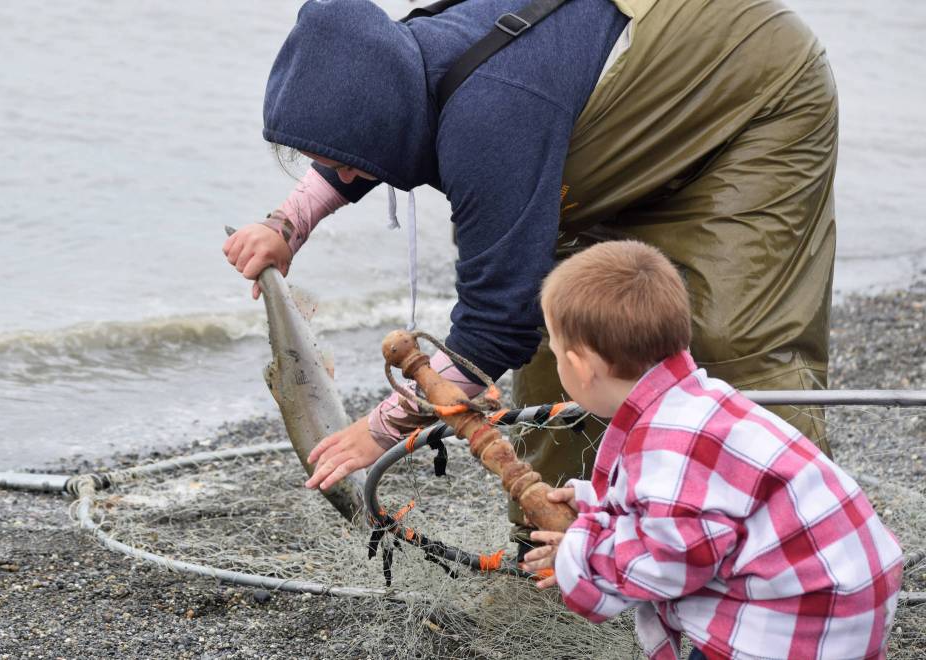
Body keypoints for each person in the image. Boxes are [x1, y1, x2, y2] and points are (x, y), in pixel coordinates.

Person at [223, 0, 839, 552]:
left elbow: (495, 325)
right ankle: (561, 540)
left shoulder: (490, 115)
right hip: (592, 122)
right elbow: (361, 138)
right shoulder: (398, 63)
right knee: (569, 331)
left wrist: (380, 429)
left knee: (730, 336)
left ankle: (792, 534)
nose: (342, 172)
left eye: (338, 163)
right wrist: (288, 223)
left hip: (752, 96)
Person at [518, 240, 902, 660]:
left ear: (579, 366)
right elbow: (695, 505)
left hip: (799, 622)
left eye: (554, 353)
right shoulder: (697, 400)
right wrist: (599, 503)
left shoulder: (665, 445)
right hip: (849, 591)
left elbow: (671, 560)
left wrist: (581, 552)